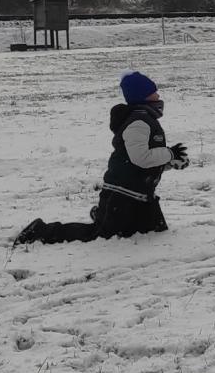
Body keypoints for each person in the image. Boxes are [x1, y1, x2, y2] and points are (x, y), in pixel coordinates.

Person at [14, 71, 188, 246]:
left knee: (155, 231)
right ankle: (41, 231)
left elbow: (145, 161)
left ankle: (103, 215)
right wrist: (170, 153)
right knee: (99, 236)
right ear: (143, 96)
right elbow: (140, 158)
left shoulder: (146, 119)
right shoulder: (139, 122)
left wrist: (169, 163)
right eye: (153, 92)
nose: (158, 95)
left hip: (141, 194)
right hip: (122, 194)